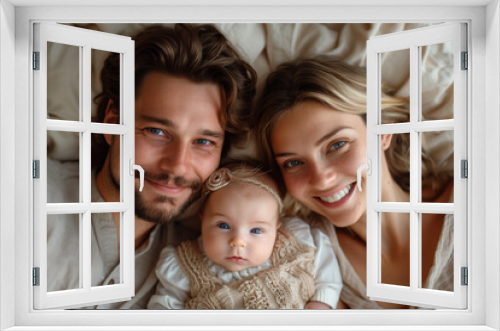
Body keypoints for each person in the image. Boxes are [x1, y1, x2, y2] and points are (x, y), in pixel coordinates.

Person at [46, 24, 257, 309]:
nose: (178, 166)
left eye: (204, 141)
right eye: (157, 131)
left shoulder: (204, 261)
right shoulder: (28, 198)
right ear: (111, 124)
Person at [254, 57, 454, 309]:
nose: (322, 178)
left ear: (382, 134)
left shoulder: (470, 204)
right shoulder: (304, 260)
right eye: (294, 163)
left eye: (337, 145)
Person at [147, 164, 342, 309]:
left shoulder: (299, 242)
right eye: (223, 225)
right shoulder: (184, 265)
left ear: (277, 228)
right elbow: (163, 310)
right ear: (202, 221)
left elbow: (328, 277)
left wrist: (319, 306)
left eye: (256, 231)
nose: (237, 241)